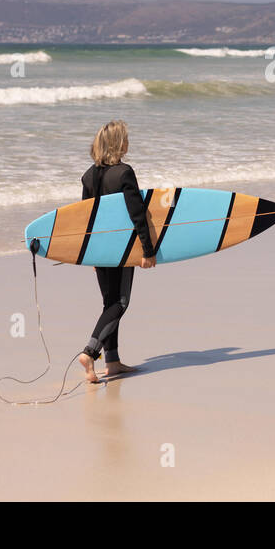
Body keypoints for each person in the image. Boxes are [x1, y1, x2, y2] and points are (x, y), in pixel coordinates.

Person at [76, 119, 157, 383]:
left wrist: (87, 253)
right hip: (121, 248)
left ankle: (112, 361)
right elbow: (137, 214)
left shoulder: (89, 176)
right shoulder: (124, 173)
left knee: (109, 303)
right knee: (120, 303)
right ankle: (90, 353)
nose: (128, 143)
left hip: (99, 249)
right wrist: (148, 249)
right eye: (125, 138)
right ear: (117, 144)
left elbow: (85, 219)